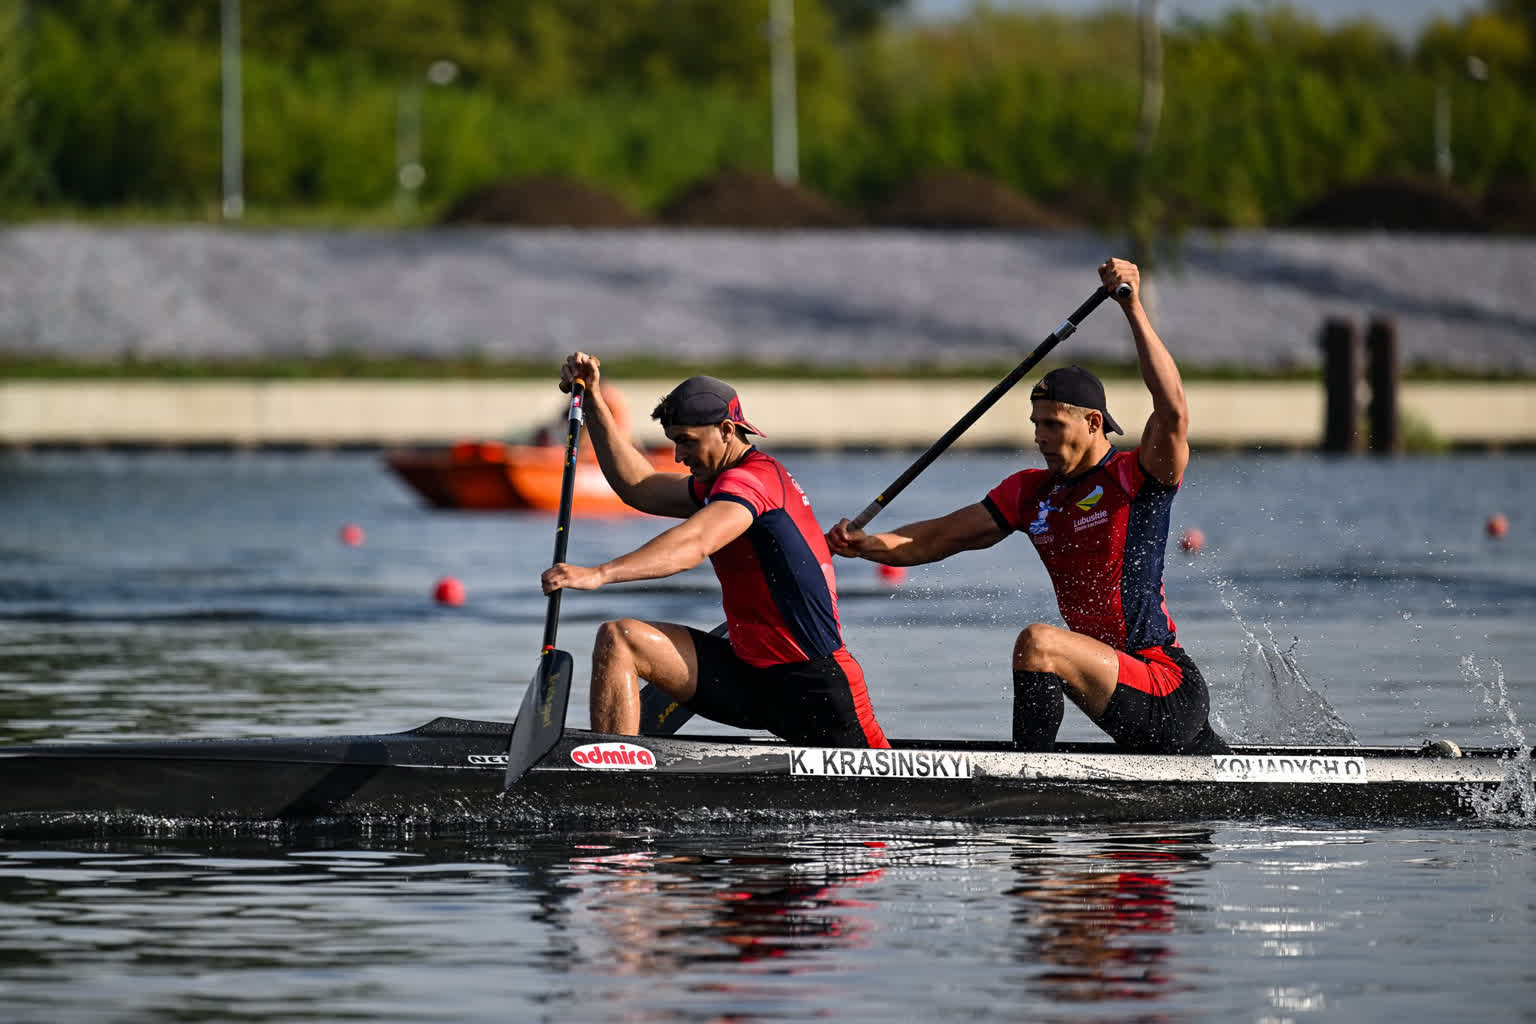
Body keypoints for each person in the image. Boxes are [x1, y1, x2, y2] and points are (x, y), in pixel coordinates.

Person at [827, 258, 1229, 755]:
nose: (1039, 436)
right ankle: (1031, 775)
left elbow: (1172, 408)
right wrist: (865, 546)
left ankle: (1027, 778)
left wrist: (1132, 307)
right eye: (1035, 423)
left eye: (1053, 425)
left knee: (1039, 644)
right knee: (1043, 646)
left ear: (1094, 424)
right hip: (1114, 682)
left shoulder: (1136, 475)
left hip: (1163, 686)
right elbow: (937, 538)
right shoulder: (1030, 491)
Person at [540, 353, 889, 749]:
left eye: (686, 442)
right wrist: (594, 401)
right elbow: (639, 486)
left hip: (814, 686)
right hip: (750, 676)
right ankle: (612, 773)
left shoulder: (754, 481)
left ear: (726, 430)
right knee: (620, 638)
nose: (677, 456)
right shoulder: (717, 483)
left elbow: (693, 544)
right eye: (673, 442)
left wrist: (600, 574)